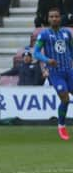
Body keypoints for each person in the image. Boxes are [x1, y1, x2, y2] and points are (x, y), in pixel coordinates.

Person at [33, 8, 73, 141]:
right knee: (65, 98)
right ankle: (61, 125)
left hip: (69, 71)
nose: (54, 18)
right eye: (52, 17)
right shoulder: (44, 35)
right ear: (48, 19)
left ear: (60, 18)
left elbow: (71, 50)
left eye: (56, 16)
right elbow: (36, 53)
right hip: (56, 73)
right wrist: (47, 60)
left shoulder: (67, 33)